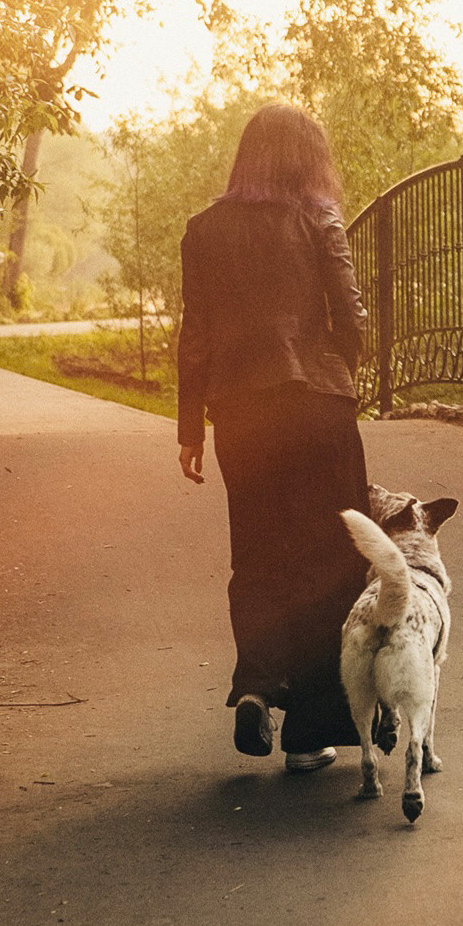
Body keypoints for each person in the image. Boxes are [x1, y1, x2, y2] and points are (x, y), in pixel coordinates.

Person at [175, 102, 371, 772]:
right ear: (307, 159)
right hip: (317, 403)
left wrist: (188, 429)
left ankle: (258, 686)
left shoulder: (203, 230)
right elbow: (350, 316)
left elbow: (193, 336)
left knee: (257, 553)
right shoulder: (317, 217)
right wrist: (346, 362)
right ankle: (309, 732)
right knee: (327, 559)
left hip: (240, 412)